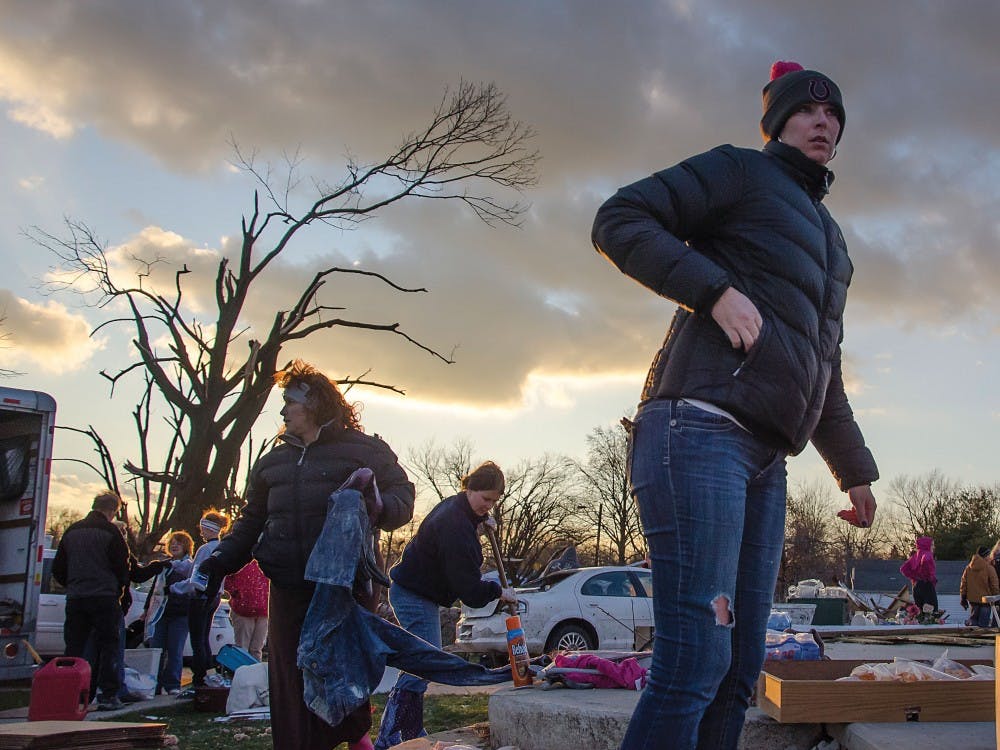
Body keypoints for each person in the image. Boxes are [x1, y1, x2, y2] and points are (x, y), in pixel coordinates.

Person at [590, 60, 879, 750]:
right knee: (695, 658)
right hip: (697, 430)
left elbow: (822, 366)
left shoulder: (833, 244)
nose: (824, 122)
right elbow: (620, 218)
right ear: (778, 120)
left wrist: (854, 469)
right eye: (809, 111)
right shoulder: (740, 173)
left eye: (834, 115)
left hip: (764, 460)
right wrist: (712, 290)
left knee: (737, 667)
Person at [198, 360, 415, 750]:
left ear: (314, 404)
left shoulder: (365, 451)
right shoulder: (272, 463)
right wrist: (217, 563)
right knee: (291, 686)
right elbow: (251, 522)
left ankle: (356, 742)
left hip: (343, 589)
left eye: (289, 402)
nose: (282, 412)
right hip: (287, 589)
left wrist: (379, 504)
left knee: (344, 682)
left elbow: (404, 498)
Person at [374, 461, 517, 750]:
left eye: (494, 501)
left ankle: (409, 730)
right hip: (413, 595)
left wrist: (480, 522)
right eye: (485, 498)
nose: (488, 506)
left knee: (424, 664)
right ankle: (393, 733)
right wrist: (499, 592)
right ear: (471, 488)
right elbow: (470, 591)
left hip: (415, 590)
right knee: (424, 664)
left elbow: (466, 532)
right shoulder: (455, 526)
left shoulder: (458, 508)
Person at [52, 490, 131, 710]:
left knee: (74, 647)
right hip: (104, 597)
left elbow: (58, 567)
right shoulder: (110, 531)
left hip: (76, 597)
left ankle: (69, 693)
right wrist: (119, 588)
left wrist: (73, 584)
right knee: (108, 646)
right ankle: (108, 694)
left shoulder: (72, 531)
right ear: (112, 510)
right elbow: (122, 567)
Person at [171, 509, 229, 688]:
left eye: (203, 528)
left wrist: (174, 587)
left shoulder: (205, 549)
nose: (201, 531)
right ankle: (208, 673)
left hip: (200, 596)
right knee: (204, 637)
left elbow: (196, 577)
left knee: (197, 639)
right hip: (216, 596)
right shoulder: (223, 547)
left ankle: (199, 677)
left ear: (209, 529)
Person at [149, 531, 196, 694]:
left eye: (179, 543)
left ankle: (172, 684)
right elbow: (155, 589)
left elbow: (190, 588)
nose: (175, 545)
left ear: (186, 547)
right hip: (161, 614)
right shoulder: (163, 566)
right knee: (156, 650)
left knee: (175, 650)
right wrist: (146, 610)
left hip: (180, 613)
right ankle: (153, 683)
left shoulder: (189, 567)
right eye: (172, 542)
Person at [224, 559, 269, 661]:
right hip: (243, 609)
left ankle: (255, 676)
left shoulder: (267, 558)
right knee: (242, 648)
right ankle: (242, 674)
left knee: (256, 649)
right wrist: (237, 592)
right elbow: (226, 579)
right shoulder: (238, 558)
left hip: (263, 611)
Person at [960, 546, 999, 627]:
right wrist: (997, 600)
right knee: (983, 628)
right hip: (985, 603)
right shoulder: (989, 568)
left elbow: (963, 584)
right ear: (985, 556)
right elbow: (994, 585)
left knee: (973, 626)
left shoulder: (968, 568)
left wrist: (963, 598)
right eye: (988, 555)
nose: (989, 557)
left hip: (973, 603)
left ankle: (973, 639)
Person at [900, 535, 938, 611]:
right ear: (927, 545)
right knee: (931, 611)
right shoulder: (927, 554)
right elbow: (926, 561)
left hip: (915, 587)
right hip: (926, 585)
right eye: (932, 545)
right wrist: (928, 577)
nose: (933, 547)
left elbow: (903, 569)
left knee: (919, 611)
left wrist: (914, 577)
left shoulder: (915, 556)